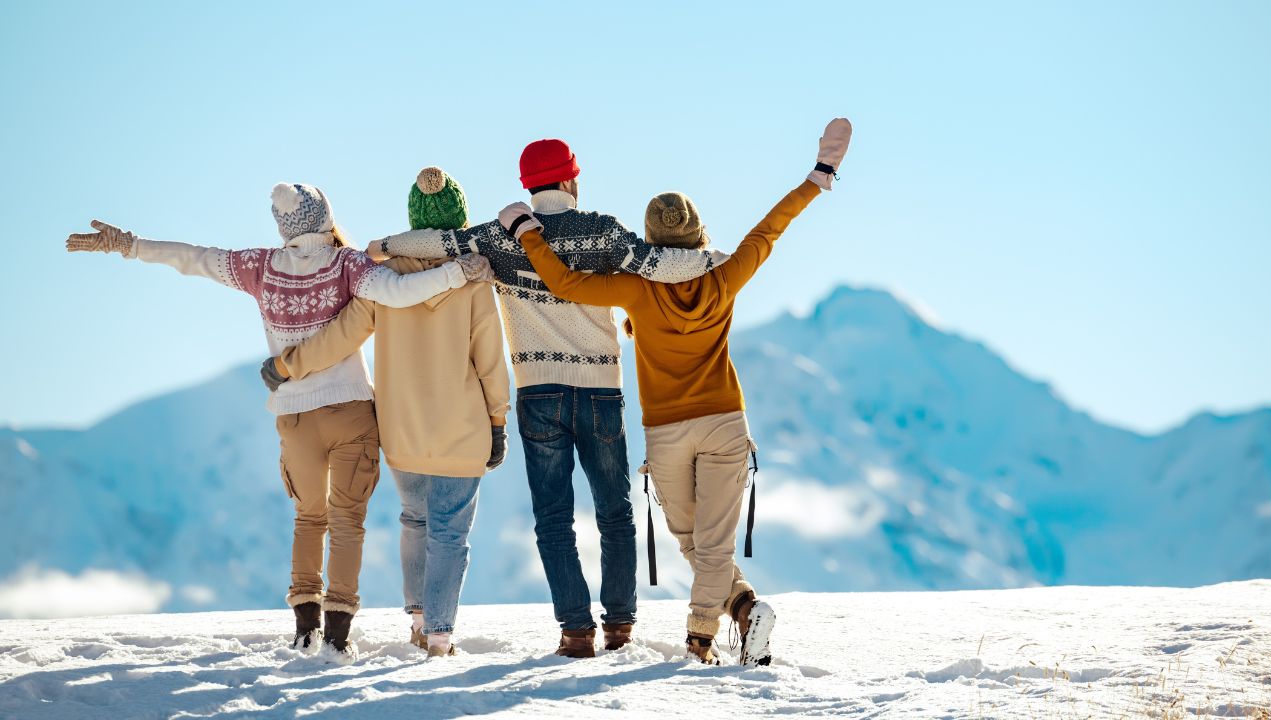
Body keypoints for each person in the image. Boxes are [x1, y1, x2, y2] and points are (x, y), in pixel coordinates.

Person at [64, 183, 493, 661]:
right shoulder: (348, 264)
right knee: (348, 523)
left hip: (294, 415)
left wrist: (129, 245)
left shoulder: (260, 267)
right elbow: (401, 290)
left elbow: (195, 258)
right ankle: (337, 635)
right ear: (325, 215)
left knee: (309, 519)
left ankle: (305, 627)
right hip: (351, 409)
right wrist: (458, 273)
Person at [498, 118, 852, 665]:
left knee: (698, 543)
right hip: (725, 425)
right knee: (702, 545)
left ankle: (700, 640)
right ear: (698, 235)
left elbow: (565, 283)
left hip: (665, 433)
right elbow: (769, 229)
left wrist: (526, 233)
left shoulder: (636, 289)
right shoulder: (724, 276)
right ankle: (745, 609)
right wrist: (818, 175)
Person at [366, 141, 722, 657]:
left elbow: (439, 242)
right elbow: (660, 264)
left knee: (553, 517)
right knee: (614, 512)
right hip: (600, 390)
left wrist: (381, 244)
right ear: (572, 181)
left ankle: (575, 631)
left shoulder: (499, 237)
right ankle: (620, 626)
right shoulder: (600, 229)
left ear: (528, 187)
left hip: (538, 392)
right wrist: (720, 260)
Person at [262, 168, 508, 658]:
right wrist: (498, 421)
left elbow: (341, 336)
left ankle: (419, 623)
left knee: (415, 520)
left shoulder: (385, 278)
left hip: (400, 430)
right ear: (457, 221)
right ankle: (439, 636)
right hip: (462, 428)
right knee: (449, 532)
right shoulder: (474, 280)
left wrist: (288, 365)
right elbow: (490, 362)